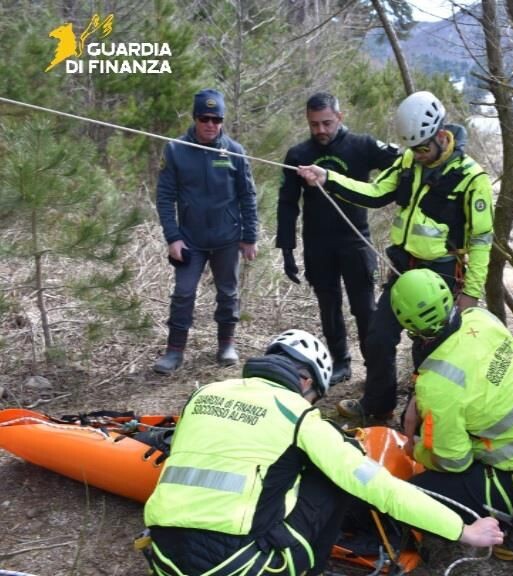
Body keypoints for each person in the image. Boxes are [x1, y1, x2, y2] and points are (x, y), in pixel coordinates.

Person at [143, 329, 504, 575]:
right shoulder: (299, 416)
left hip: (163, 558)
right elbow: (379, 487)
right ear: (305, 381)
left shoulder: (203, 395)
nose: (313, 402)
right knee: (334, 477)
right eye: (315, 394)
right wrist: (463, 530)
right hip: (236, 565)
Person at [297, 91, 494, 422]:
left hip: (442, 274)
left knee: (432, 348)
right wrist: (328, 178)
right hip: (404, 268)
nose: (416, 156)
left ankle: (428, 418)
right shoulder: (408, 162)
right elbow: (375, 194)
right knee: (378, 336)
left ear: (440, 135)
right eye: (412, 149)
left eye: (422, 149)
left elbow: (482, 239)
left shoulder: (471, 178)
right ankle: (378, 406)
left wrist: (471, 293)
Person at [388, 268, 513, 561]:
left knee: (411, 497)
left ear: (405, 324)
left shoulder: (438, 384)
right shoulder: (481, 318)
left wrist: (418, 450)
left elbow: (453, 461)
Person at [277, 92, 400, 384]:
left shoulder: (363, 145)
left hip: (355, 240)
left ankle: (373, 365)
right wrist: (286, 249)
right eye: (314, 124)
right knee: (328, 306)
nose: (320, 130)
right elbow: (287, 203)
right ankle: (340, 362)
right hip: (318, 243)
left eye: (327, 123)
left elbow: (402, 165)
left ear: (340, 117)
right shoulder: (298, 155)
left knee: (364, 307)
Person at [153, 88, 258, 374]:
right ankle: (174, 351)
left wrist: (250, 236)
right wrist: (172, 237)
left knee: (228, 292)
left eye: (216, 118)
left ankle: (226, 344)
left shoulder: (234, 151)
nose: (210, 124)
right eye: (204, 118)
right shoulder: (175, 150)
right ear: (195, 118)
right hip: (190, 240)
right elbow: (164, 197)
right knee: (183, 293)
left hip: (227, 237)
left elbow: (248, 195)